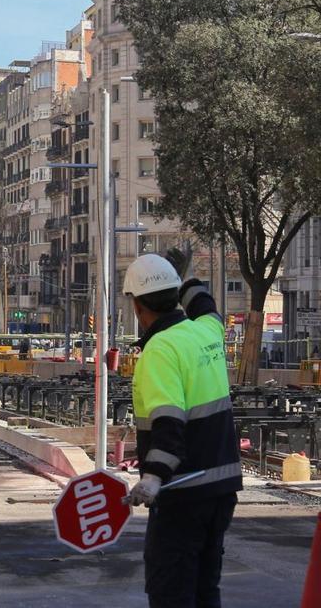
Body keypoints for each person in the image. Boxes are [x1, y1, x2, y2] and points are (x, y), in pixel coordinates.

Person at [122, 249, 241, 608]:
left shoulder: (160, 350)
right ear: (175, 296)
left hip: (184, 491)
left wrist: (153, 477)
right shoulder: (207, 330)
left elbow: (168, 423)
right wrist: (182, 277)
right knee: (206, 589)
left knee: (171, 591)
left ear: (137, 307)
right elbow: (202, 298)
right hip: (222, 488)